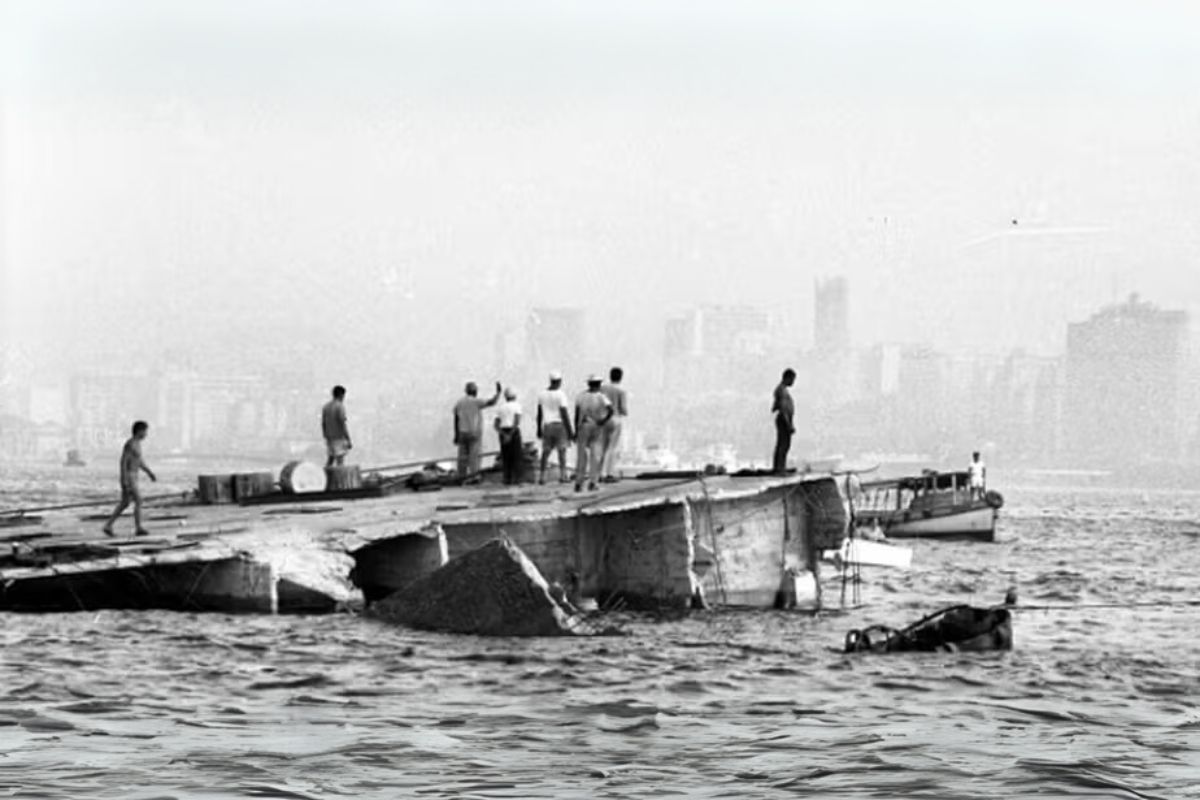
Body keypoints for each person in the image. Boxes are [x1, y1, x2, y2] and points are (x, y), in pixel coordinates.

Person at [102, 420, 157, 537]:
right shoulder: (130, 444)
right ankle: (138, 528)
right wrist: (124, 479)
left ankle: (108, 525)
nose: (146, 434)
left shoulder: (137, 444)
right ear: (140, 431)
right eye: (145, 431)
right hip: (129, 475)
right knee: (138, 500)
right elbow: (123, 462)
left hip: (134, 475)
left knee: (125, 503)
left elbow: (140, 462)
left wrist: (149, 473)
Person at [454, 380, 502, 483]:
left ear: (466, 391)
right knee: (474, 456)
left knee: (462, 457)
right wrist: (498, 393)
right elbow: (491, 402)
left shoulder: (460, 402)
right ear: (475, 391)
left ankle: (461, 477)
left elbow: (456, 418)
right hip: (474, 433)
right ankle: (473, 476)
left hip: (462, 433)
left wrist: (456, 435)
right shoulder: (476, 401)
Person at [573, 374, 613, 492]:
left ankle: (579, 483)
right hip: (596, 426)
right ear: (599, 384)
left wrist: (575, 430)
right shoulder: (601, 397)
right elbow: (611, 410)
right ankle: (593, 482)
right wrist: (603, 420)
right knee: (595, 456)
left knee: (581, 456)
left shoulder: (581, 396)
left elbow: (576, 415)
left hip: (583, 425)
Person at [536, 371, 574, 484]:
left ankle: (542, 477)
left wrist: (538, 428)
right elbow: (564, 413)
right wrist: (570, 430)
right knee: (562, 452)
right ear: (559, 381)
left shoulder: (542, 394)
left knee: (545, 452)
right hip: (560, 426)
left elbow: (539, 413)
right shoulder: (561, 394)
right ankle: (563, 476)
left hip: (547, 426)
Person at [598, 366, 628, 483]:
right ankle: (609, 474)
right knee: (612, 448)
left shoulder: (602, 388)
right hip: (615, 419)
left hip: (603, 419)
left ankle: (599, 474)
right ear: (621, 377)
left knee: (602, 447)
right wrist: (624, 412)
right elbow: (623, 409)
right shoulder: (621, 390)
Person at [494, 387, 524, 485]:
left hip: (503, 431)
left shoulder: (500, 408)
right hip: (513, 432)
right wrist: (510, 435)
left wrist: (504, 435)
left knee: (506, 456)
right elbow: (517, 422)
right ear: (515, 396)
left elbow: (496, 425)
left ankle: (507, 479)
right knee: (517, 456)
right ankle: (518, 479)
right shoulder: (517, 406)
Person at [771, 368, 796, 474]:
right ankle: (779, 468)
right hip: (783, 419)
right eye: (792, 379)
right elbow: (782, 408)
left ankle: (781, 466)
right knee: (783, 444)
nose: (793, 382)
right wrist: (788, 424)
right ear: (787, 378)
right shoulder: (781, 390)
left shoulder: (783, 390)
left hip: (785, 418)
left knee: (784, 444)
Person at [322, 385, 352, 467]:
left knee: (330, 459)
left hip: (329, 437)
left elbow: (323, 423)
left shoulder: (326, 407)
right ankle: (340, 479)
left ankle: (325, 477)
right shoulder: (339, 406)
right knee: (340, 461)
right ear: (341, 395)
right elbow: (342, 423)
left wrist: (325, 435)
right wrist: (348, 439)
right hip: (339, 437)